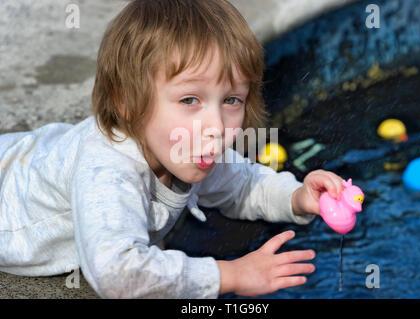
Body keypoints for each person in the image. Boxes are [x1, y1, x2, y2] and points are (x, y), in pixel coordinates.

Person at [0, 0, 345, 298]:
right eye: (190, 99)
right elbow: (116, 272)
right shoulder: (107, 168)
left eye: (231, 100)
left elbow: (242, 184)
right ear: (128, 103)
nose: (216, 126)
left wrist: (297, 196)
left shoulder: (188, 144)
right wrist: (231, 275)